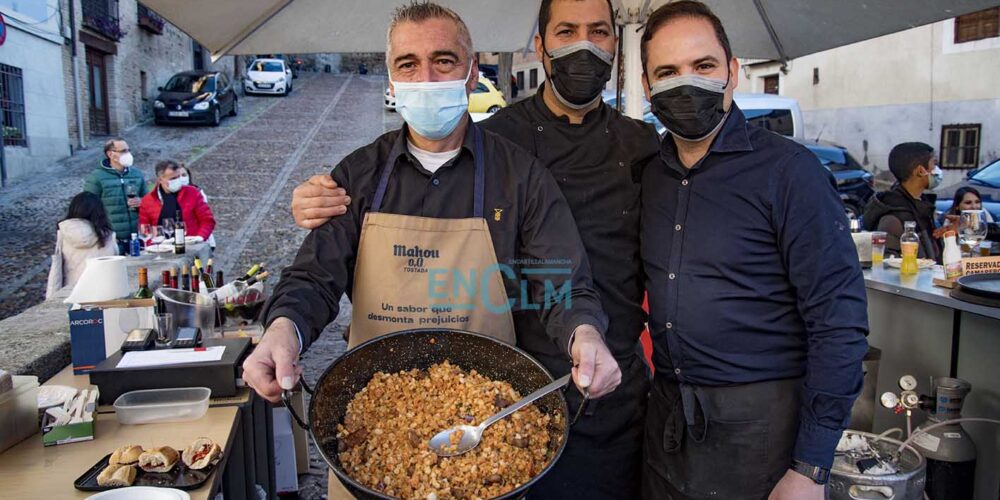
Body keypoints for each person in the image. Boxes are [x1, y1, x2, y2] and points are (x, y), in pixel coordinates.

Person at [247, 4, 622, 496]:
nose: (424, 77)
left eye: (443, 61)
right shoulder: (359, 175)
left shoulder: (520, 176)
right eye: (408, 64)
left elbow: (562, 284)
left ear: (470, 74)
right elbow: (313, 279)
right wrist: (282, 332)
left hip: (488, 419)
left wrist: (584, 336)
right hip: (371, 415)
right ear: (391, 80)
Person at [639, 3, 868, 499]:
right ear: (646, 85)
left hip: (761, 436)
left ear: (732, 71)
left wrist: (811, 467)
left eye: (703, 66)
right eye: (667, 72)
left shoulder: (790, 173)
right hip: (666, 425)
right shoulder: (650, 176)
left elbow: (839, 319)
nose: (687, 83)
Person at [862, 142, 943, 261]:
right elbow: (888, 264)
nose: (937, 170)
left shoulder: (921, 206)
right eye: (934, 164)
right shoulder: (894, 215)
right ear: (920, 171)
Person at [46, 192, 118, 299]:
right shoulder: (107, 236)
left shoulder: (65, 233)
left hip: (71, 292)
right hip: (102, 293)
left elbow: (57, 269)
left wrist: (51, 296)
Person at [83, 138, 148, 255]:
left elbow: (149, 200)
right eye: (123, 151)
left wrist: (142, 202)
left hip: (137, 237)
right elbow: (88, 206)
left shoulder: (137, 174)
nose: (127, 154)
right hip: (112, 239)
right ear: (110, 154)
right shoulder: (97, 177)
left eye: (128, 150)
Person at [138, 160, 216, 241]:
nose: (178, 180)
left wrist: (199, 237)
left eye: (178, 177)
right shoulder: (147, 201)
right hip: (162, 247)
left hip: (191, 244)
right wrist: (154, 245)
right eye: (173, 178)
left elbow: (207, 220)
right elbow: (145, 230)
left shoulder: (193, 193)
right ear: (160, 179)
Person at [177, 165, 217, 251]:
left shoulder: (197, 193)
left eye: (184, 175)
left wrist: (200, 237)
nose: (181, 178)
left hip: (198, 240)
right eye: (178, 176)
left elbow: (206, 219)